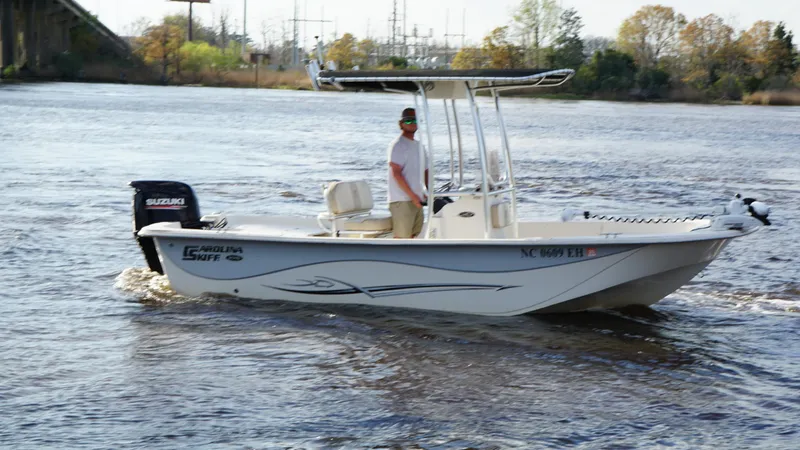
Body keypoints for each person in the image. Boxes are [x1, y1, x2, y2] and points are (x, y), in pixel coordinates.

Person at [388, 108, 428, 238]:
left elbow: (425, 170)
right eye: (408, 120)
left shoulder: (419, 146)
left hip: (417, 199)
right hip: (402, 200)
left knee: (414, 235)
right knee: (402, 238)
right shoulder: (398, 145)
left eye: (415, 120)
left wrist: (425, 192)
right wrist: (413, 196)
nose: (412, 123)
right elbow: (396, 174)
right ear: (401, 124)